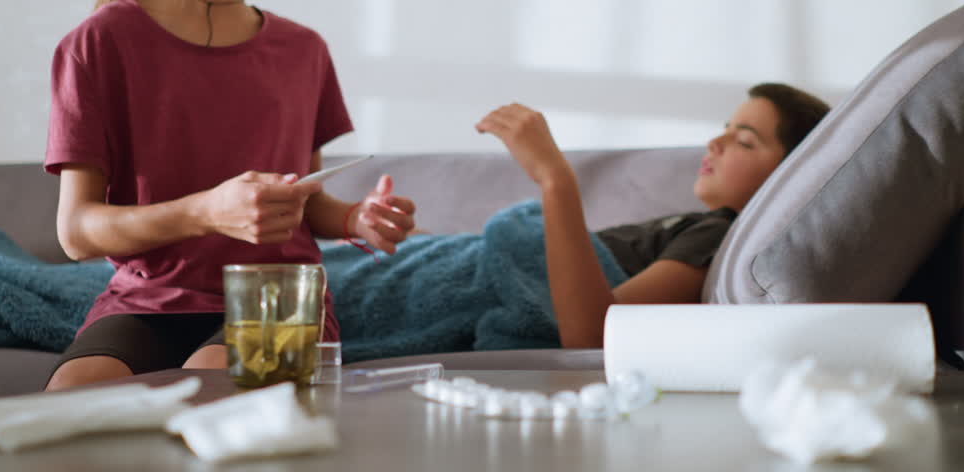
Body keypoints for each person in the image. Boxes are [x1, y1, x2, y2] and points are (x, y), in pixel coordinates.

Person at [43, 0, 416, 391]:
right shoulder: (100, 43)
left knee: (213, 386)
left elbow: (301, 203)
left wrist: (355, 219)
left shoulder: (304, 52)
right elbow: (77, 232)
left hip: (279, 297)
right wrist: (205, 210)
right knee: (73, 396)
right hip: (147, 302)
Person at [323, 83, 829, 358]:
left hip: (469, 278)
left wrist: (554, 178)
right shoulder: (700, 224)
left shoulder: (720, 235)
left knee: (300, 291)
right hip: (451, 261)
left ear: (789, 177)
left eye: (745, 141)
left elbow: (592, 334)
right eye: (724, 128)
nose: (714, 143)